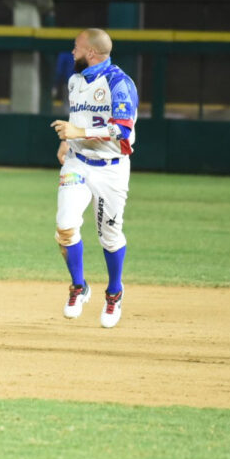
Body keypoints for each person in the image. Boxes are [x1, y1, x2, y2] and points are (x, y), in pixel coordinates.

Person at [50, 28, 138, 329]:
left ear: (91, 52)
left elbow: (122, 131)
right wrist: (69, 140)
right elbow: (79, 117)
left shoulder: (119, 83)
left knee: (109, 237)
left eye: (77, 47)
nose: (72, 51)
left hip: (111, 168)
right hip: (78, 163)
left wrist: (79, 133)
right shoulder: (75, 79)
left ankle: (114, 292)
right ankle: (79, 286)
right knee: (65, 226)